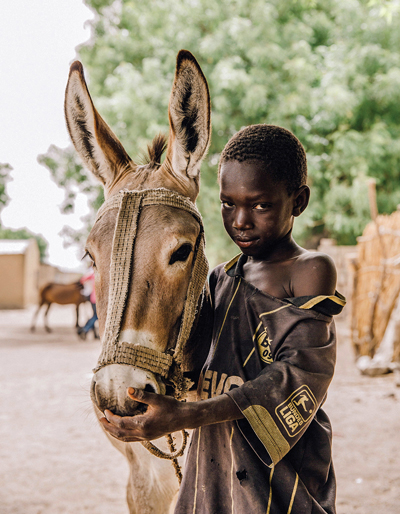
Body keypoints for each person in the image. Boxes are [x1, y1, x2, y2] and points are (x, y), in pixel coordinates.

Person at [100, 124, 346, 514]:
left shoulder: (310, 269)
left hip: (279, 467)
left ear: (298, 201)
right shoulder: (219, 278)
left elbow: (300, 374)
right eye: (228, 204)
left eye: (260, 205)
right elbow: (200, 363)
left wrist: (188, 415)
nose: (241, 220)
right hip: (215, 458)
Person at [77, 268, 98, 340]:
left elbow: (82, 279)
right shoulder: (94, 273)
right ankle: (85, 329)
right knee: (96, 316)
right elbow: (82, 280)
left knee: (95, 316)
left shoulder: (92, 274)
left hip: (93, 298)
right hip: (96, 299)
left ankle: (92, 333)